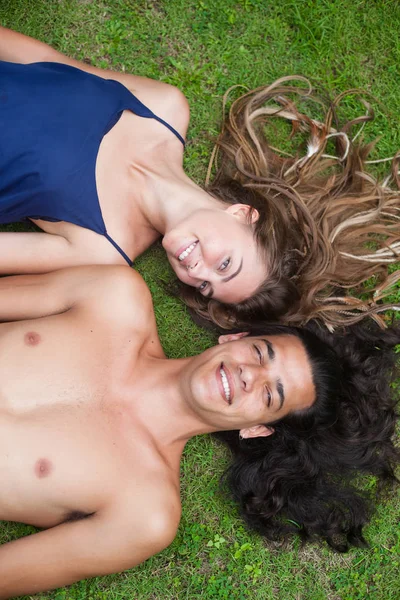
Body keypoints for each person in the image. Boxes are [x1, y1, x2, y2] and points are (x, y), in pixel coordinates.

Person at [0, 266, 398, 598]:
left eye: (270, 394)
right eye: (261, 354)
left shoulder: (144, 513)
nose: (250, 376)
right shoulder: (115, 298)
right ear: (236, 337)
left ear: (257, 428)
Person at [1, 26, 400, 330]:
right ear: (243, 214)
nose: (198, 272)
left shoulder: (103, 247)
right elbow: (45, 61)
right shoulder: (164, 108)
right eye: (224, 263)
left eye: (205, 286)